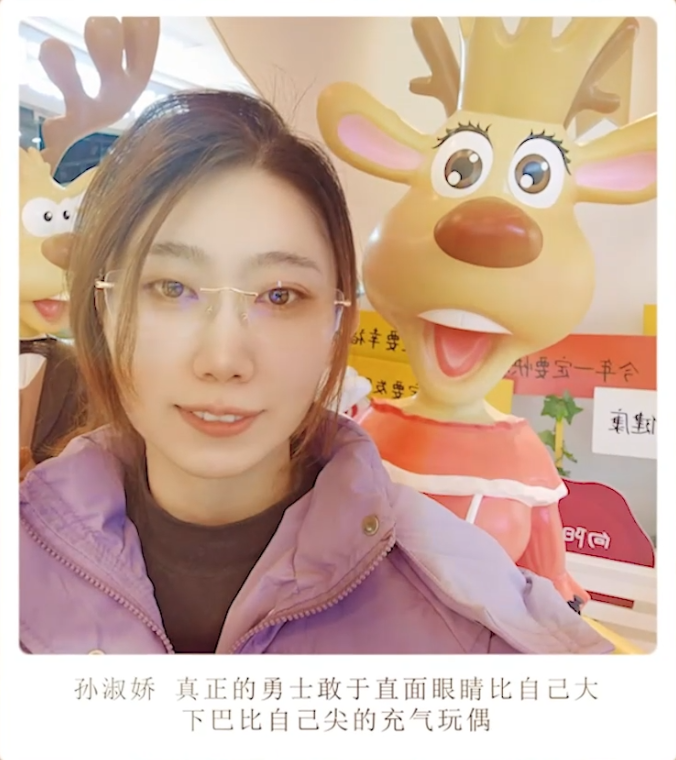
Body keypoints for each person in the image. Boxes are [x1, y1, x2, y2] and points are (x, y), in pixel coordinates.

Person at [19, 89, 612, 655]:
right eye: (171, 288)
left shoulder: (468, 620)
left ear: (336, 321)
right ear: (102, 305)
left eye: (280, 295)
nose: (223, 360)